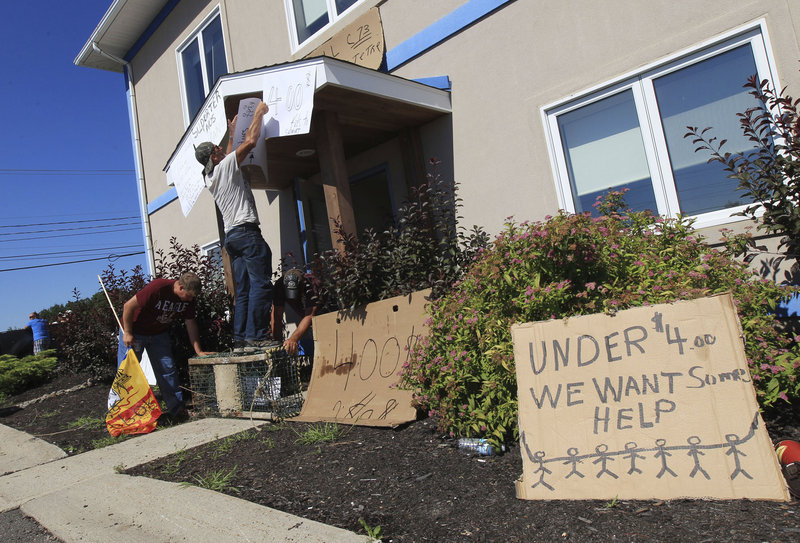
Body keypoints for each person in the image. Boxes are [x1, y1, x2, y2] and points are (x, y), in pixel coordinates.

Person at [195, 101, 277, 353]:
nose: (222, 149)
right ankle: (256, 336)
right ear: (213, 157)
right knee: (261, 283)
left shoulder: (213, 176)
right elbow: (251, 141)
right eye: (218, 149)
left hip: (232, 238)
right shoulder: (225, 166)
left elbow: (229, 155)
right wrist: (259, 114)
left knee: (243, 290)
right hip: (247, 233)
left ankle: (241, 339)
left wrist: (231, 135)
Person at [120, 272, 212, 420]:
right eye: (188, 296)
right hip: (135, 331)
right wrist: (128, 332)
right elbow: (128, 306)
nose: (190, 299)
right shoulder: (158, 287)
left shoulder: (190, 299)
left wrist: (198, 350)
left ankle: (177, 411)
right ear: (180, 287)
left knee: (167, 370)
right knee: (129, 372)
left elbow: (190, 323)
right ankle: (126, 414)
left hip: (158, 334)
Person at [271, 268, 318, 357]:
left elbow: (310, 315)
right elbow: (277, 316)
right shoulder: (279, 285)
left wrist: (293, 339)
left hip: (321, 312)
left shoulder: (312, 285)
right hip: (302, 311)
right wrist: (278, 344)